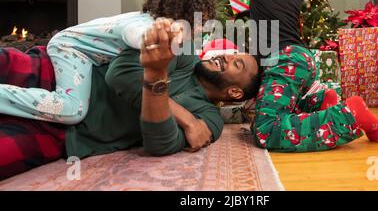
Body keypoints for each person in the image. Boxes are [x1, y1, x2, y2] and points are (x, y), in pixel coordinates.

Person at [0, 18, 261, 180]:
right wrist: (183, 116)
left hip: (69, 135)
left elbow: (159, 142)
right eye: (233, 52)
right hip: (59, 71)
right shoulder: (184, 50)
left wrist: (155, 75)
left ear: (234, 93)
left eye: (237, 63)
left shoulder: (209, 121)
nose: (226, 55)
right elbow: (119, 73)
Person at [227, 0, 378, 152]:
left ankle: (350, 115)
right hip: (301, 58)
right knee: (284, 107)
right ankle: (319, 103)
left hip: (284, 61)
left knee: (265, 130)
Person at [0, 0, 217, 125]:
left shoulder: (151, 20)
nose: (201, 27)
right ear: (183, 10)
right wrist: (158, 38)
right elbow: (134, 35)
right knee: (72, 110)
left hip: (85, 55)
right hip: (70, 48)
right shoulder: (145, 25)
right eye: (200, 19)